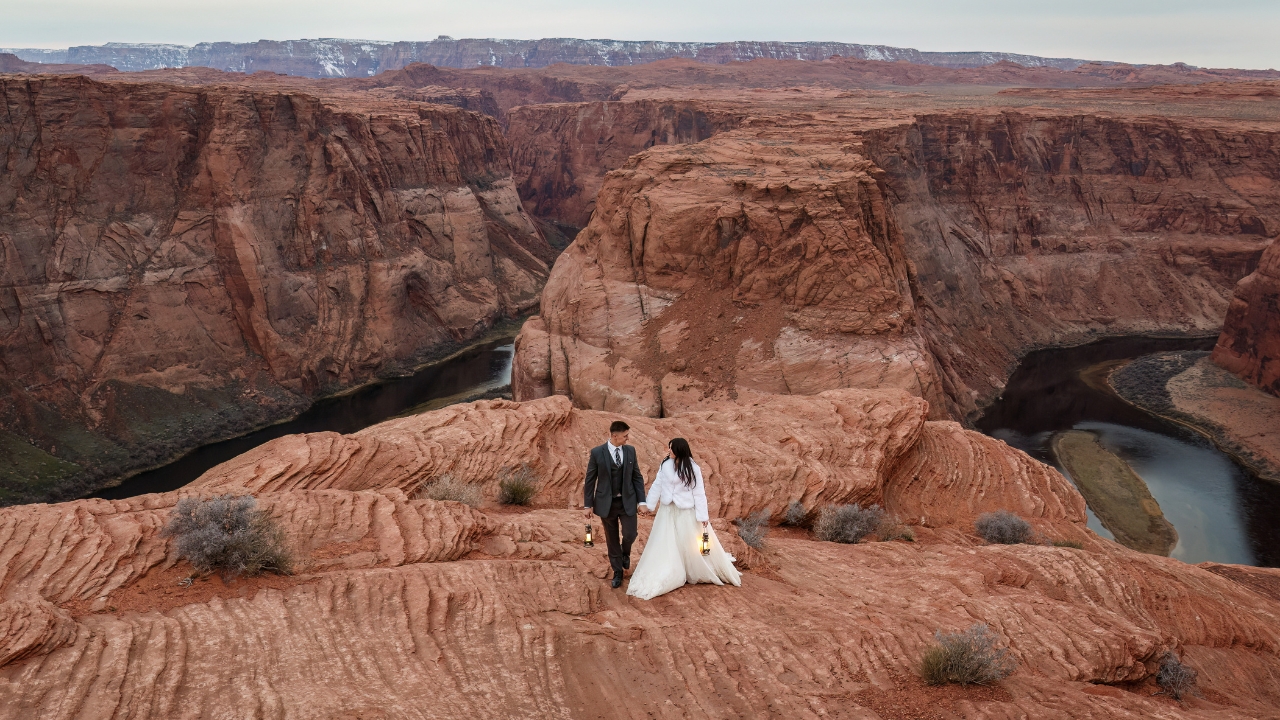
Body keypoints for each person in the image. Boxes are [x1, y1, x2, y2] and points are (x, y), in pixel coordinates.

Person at [627, 437, 741, 600]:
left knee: (687, 542)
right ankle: (672, 568)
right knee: (666, 541)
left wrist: (703, 516)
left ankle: (691, 568)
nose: (668, 451)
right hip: (667, 511)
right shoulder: (665, 465)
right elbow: (657, 486)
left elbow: (699, 493)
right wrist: (649, 506)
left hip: (685, 511)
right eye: (668, 448)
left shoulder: (693, 468)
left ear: (679, 450)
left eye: (671, 448)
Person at [583, 420, 647, 588]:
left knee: (630, 534)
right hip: (606, 504)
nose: (627, 439)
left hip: (628, 501)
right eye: (625, 436)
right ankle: (617, 571)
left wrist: (642, 501)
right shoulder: (597, 453)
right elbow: (590, 480)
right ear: (615, 436)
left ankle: (625, 553)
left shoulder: (630, 451)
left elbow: (637, 477)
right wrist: (587, 505)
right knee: (612, 539)